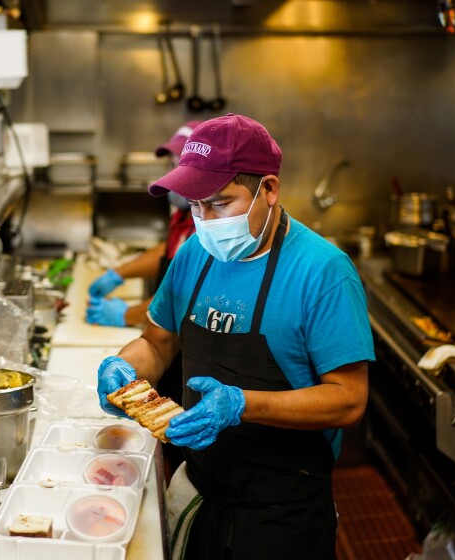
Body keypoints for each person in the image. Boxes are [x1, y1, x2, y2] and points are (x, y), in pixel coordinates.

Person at [96, 114, 374, 559]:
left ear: (269, 189)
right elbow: (157, 341)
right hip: (202, 486)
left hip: (282, 514)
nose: (205, 220)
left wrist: (243, 404)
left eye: (221, 204)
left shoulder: (322, 272)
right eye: (195, 206)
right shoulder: (195, 252)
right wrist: (126, 366)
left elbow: (348, 399)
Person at [85, 121, 201, 328]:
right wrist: (118, 274)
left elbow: (184, 297)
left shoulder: (209, 226)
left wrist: (126, 315)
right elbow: (170, 254)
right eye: (170, 165)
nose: (170, 175)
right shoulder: (184, 214)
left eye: (179, 166)